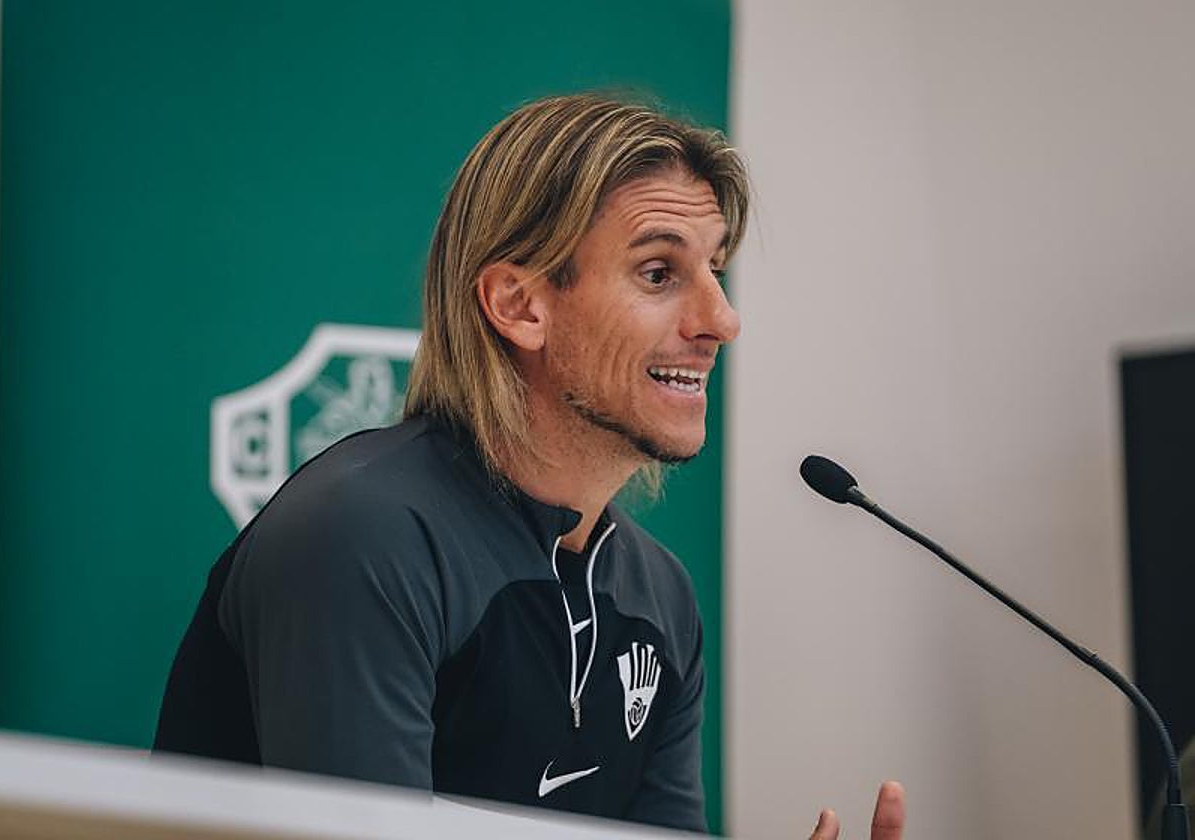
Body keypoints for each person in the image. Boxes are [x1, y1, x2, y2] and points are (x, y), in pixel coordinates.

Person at [155, 93, 905, 839]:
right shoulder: (365, 535)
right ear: (519, 305)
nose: (721, 320)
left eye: (715, 271)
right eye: (657, 273)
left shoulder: (661, 597)